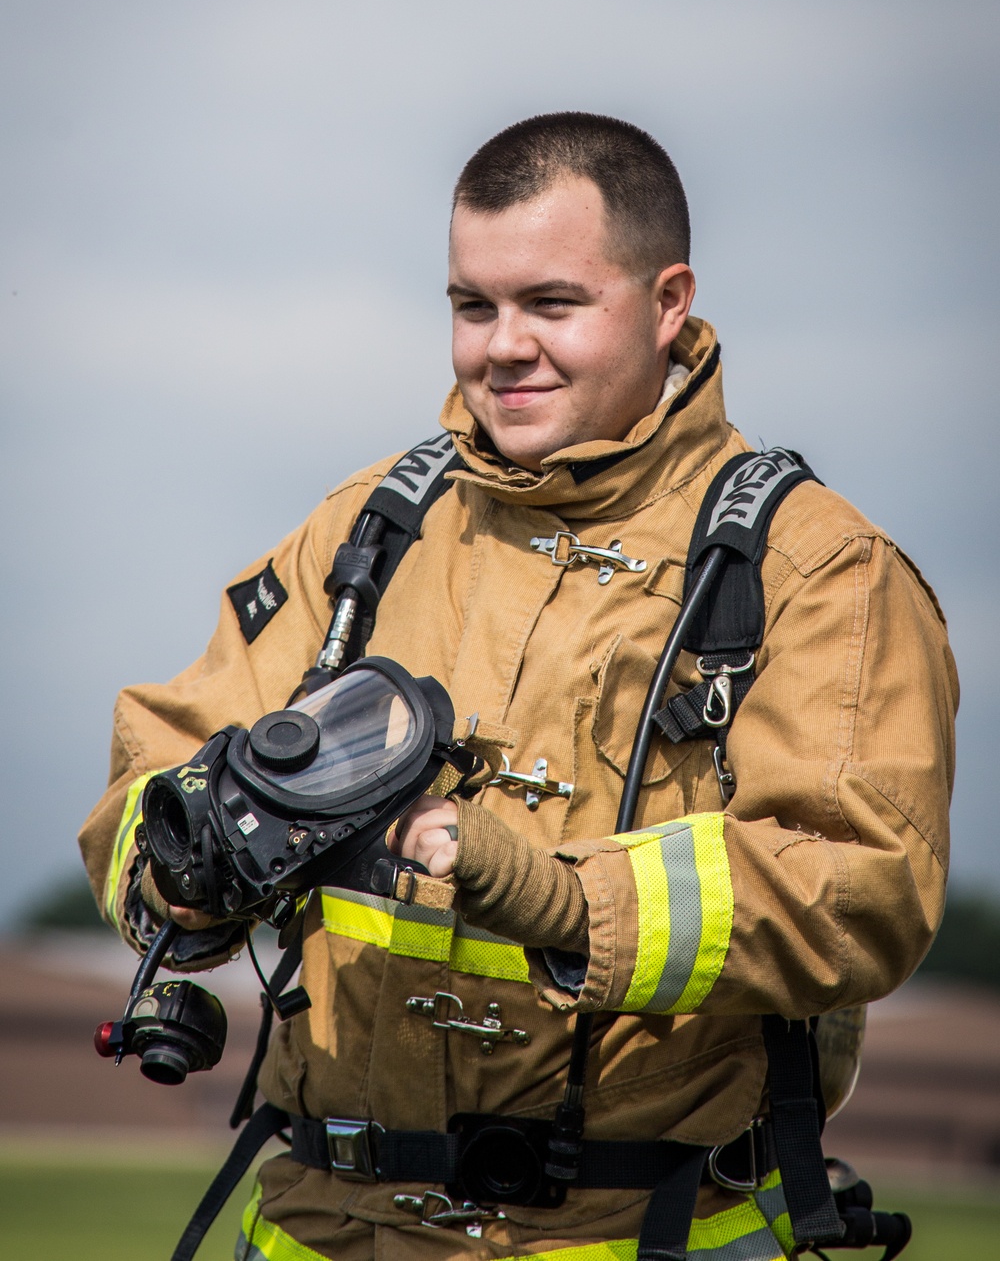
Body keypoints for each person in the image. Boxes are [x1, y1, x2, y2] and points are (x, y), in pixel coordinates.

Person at [79, 113, 957, 1261]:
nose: (502, 347)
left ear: (667, 300)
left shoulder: (818, 571)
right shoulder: (368, 529)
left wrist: (543, 892)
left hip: (634, 1227)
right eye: (471, 305)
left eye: (551, 304)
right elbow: (155, 765)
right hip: (315, 1224)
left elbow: (859, 889)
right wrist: (180, 874)